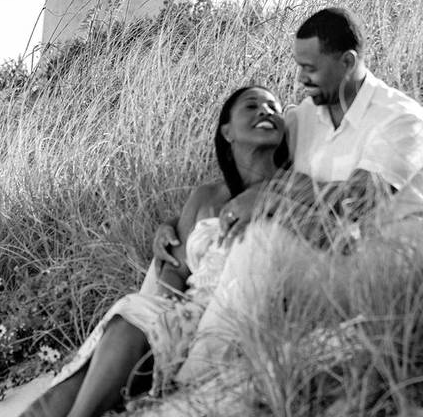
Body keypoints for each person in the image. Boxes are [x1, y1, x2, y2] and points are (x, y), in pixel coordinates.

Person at [153, 7, 423, 379]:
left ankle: (194, 379)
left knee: (262, 237)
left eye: (311, 68)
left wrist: (273, 196)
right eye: (298, 66)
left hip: (386, 275)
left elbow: (359, 199)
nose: (301, 78)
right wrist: (178, 220)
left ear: (348, 61)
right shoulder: (306, 117)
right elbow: (249, 166)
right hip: (324, 259)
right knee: (195, 241)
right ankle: (153, 347)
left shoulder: (400, 117)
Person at [19, 86, 290, 417]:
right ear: (227, 132)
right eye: (253, 106)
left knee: (129, 318)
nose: (266, 111)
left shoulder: (294, 185)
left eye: (274, 107)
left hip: (232, 316)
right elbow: (175, 269)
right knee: (53, 399)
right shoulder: (205, 197)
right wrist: (169, 314)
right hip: (181, 316)